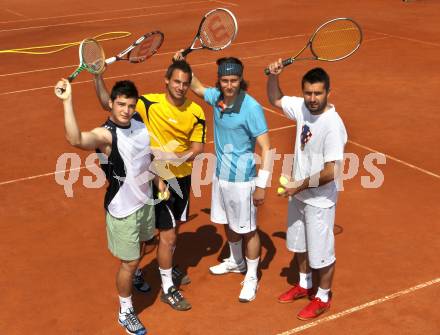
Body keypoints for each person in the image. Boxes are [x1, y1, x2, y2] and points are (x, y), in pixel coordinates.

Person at [55, 79, 167, 335]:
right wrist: (67, 101)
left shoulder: (138, 123)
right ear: (111, 104)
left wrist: (158, 181)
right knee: (129, 262)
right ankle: (125, 311)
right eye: (120, 104)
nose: (125, 110)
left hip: (145, 202)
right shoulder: (106, 135)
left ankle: (136, 273)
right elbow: (75, 138)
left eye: (130, 105)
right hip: (123, 209)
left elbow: (146, 156)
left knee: (147, 244)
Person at [94, 60, 206, 311]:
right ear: (166, 80)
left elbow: (198, 148)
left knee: (162, 234)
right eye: (176, 81)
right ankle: (167, 287)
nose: (180, 87)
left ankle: (146, 270)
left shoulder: (196, 111)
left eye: (185, 83)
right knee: (167, 235)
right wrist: (98, 77)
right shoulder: (147, 104)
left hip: (181, 178)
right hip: (152, 178)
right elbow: (109, 105)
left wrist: (175, 158)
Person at [175, 52, 271, 302]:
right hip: (221, 177)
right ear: (219, 81)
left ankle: (251, 277)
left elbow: (267, 148)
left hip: (243, 181)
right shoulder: (217, 97)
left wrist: (261, 185)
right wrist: (182, 63)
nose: (229, 85)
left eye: (234, 80)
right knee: (228, 223)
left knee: (248, 230)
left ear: (241, 80)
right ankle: (236, 261)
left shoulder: (251, 108)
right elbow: (195, 86)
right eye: (225, 80)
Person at [266, 60, 347, 320]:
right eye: (308, 93)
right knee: (299, 244)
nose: (312, 98)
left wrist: (298, 185)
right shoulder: (302, 107)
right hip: (298, 193)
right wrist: (274, 76)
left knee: (322, 253)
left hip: (319, 200)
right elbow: (275, 99)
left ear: (328, 92)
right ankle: (304, 283)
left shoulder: (333, 124)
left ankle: (323, 296)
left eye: (318, 93)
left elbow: (331, 170)